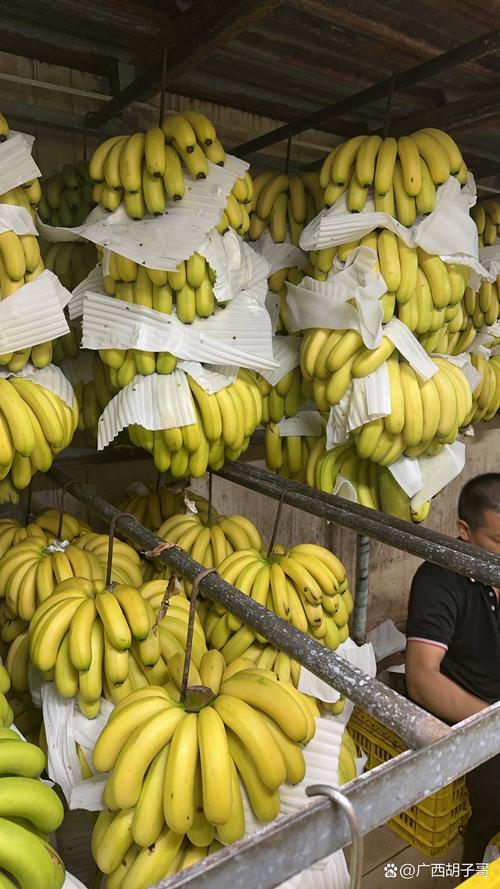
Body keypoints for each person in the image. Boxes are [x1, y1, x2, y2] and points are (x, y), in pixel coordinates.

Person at [405, 473, 500, 865]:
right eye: (499, 542)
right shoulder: (440, 580)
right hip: (478, 713)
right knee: (493, 806)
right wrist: (493, 726)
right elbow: (422, 679)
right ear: (464, 531)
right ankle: (475, 857)